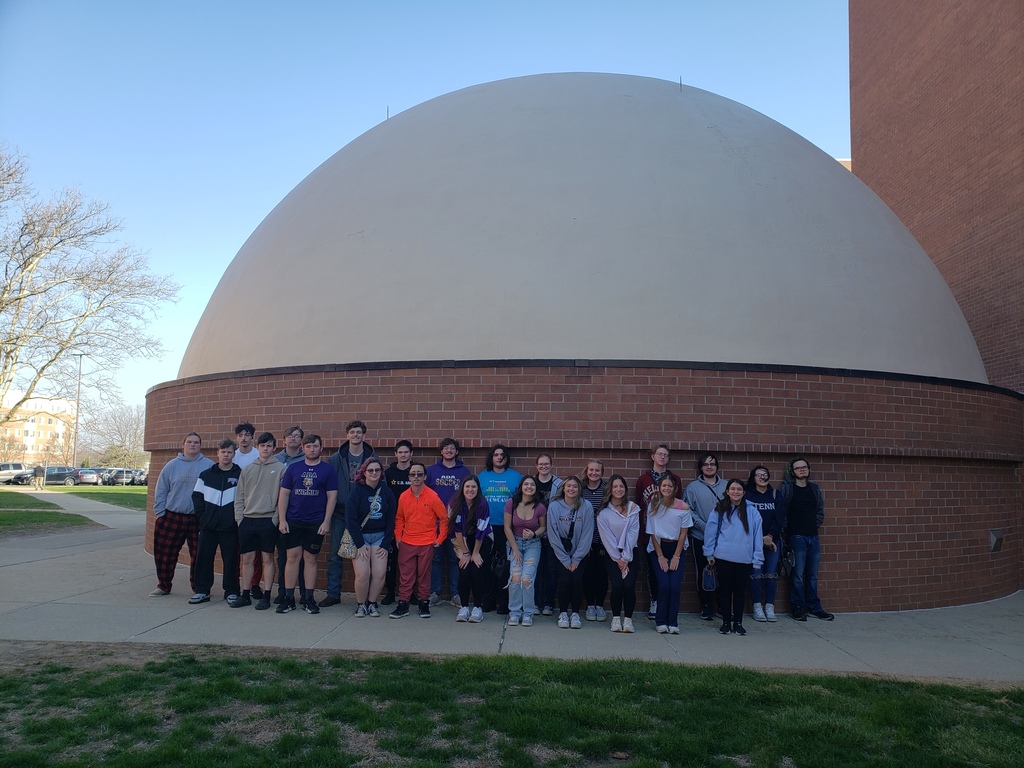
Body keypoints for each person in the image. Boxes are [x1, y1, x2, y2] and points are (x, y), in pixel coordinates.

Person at [276, 434, 338, 615]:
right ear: (303, 448)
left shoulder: (327, 470)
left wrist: (326, 521)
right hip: (293, 520)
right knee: (292, 558)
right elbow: (284, 494)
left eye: (315, 446)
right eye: (309, 446)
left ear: (321, 448)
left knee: (310, 558)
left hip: (315, 522)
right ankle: (289, 599)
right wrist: (282, 519)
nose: (312, 449)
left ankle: (309, 599)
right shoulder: (293, 469)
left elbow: (332, 496)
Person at [150, 433, 214, 597]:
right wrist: (160, 514)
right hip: (172, 516)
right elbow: (161, 490)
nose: (193, 445)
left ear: (201, 445)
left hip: (198, 519)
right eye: (189, 442)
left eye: (196, 442)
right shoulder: (172, 466)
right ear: (183, 444)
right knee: (165, 554)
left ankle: (198, 588)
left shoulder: (209, 466)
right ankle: (163, 585)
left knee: (199, 555)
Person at [323, 420, 376, 608]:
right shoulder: (337, 458)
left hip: (363, 515)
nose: (355, 435)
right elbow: (329, 485)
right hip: (340, 512)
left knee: (364, 556)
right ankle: (333, 593)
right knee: (335, 554)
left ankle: (365, 597)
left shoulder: (371, 457)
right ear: (347, 435)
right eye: (352, 432)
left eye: (359, 432)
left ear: (364, 435)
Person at [775, 457, 834, 622]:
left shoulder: (814, 489)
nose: (802, 470)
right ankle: (797, 607)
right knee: (798, 575)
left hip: (813, 536)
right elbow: (782, 512)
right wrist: (789, 529)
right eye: (798, 468)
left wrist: (813, 525)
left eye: (804, 467)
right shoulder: (787, 489)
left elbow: (820, 511)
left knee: (813, 575)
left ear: (808, 469)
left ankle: (814, 607)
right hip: (796, 537)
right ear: (792, 472)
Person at [703, 479, 764, 636]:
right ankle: (725, 622)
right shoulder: (719, 509)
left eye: (739, 489)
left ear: (744, 492)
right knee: (724, 591)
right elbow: (710, 531)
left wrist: (757, 559)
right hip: (723, 557)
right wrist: (709, 552)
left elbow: (757, 536)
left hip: (744, 559)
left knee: (739, 593)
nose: (736, 492)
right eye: (733, 489)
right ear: (727, 491)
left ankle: (738, 622)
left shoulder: (752, 512)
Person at [232, 432, 284, 610]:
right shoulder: (247, 469)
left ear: (274, 448)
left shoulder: (281, 469)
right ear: (258, 447)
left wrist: (275, 519)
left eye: (269, 446)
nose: (265, 449)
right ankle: (245, 594)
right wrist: (240, 518)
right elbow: (239, 496)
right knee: (246, 558)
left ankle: (267, 595)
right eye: (262, 446)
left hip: (268, 520)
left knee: (267, 558)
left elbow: (282, 499)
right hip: (248, 520)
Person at [390, 461, 447, 619]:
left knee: (424, 575)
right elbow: (399, 518)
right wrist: (398, 537)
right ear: (409, 477)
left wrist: (440, 538)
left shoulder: (433, 496)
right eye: (413, 474)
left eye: (419, 474)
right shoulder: (403, 496)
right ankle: (403, 604)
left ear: (425, 477)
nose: (416, 477)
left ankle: (423, 603)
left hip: (427, 542)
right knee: (406, 575)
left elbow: (444, 519)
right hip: (407, 541)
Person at [190, 439, 242, 604]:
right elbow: (197, 497)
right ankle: (202, 591)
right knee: (203, 559)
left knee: (231, 560)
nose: (226, 455)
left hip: (230, 527)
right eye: (223, 452)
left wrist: (236, 520)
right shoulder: (206, 475)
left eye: (229, 452)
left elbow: (244, 499)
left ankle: (232, 591)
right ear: (217, 453)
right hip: (208, 527)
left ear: (234, 454)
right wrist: (203, 518)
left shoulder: (241, 475)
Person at [635, 444, 683, 621]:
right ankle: (654, 601)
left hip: (671, 535)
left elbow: (680, 506)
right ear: (653, 456)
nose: (662, 457)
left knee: (671, 573)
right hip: (650, 534)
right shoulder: (643, 480)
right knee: (653, 571)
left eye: (666, 455)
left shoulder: (675, 479)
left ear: (668, 459)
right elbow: (640, 504)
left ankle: (667, 606)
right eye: (659, 454)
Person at [346, 457, 397, 618]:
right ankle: (361, 605)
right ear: (364, 472)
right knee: (362, 574)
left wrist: (386, 543)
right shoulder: (357, 490)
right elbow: (350, 519)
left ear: (381, 473)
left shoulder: (386, 491)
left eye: (377, 470)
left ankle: (372, 603)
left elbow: (391, 519)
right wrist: (359, 544)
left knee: (380, 573)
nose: (374, 473)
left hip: (380, 538)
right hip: (361, 538)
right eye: (370, 470)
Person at [683, 452, 727, 620]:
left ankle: (722, 606)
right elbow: (689, 512)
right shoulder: (692, 488)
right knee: (704, 572)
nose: (709, 467)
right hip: (700, 536)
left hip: (724, 538)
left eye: (713, 464)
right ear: (701, 467)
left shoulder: (727, 485)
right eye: (706, 464)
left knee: (723, 573)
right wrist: (707, 527)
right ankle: (706, 606)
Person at [478, 444, 521, 613]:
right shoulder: (482, 476)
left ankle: (504, 602)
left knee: (504, 567)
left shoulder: (516, 477)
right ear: (491, 457)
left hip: (507, 528)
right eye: (496, 454)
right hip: (486, 528)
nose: (499, 457)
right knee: (487, 566)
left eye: (502, 455)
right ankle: (488, 601)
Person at [546, 476, 594, 629]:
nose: (571, 489)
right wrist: (566, 560)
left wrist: (577, 559)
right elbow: (552, 535)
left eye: (575, 486)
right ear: (563, 488)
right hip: (561, 552)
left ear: (579, 489)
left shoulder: (586, 506)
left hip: (580, 553)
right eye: (569, 486)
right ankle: (563, 613)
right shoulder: (554, 507)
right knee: (566, 581)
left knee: (577, 581)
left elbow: (587, 534)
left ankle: (575, 613)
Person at [646, 475, 692, 633]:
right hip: (658, 548)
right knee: (664, 585)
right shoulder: (653, 506)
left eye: (669, 486)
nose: (666, 488)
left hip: (677, 549)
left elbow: (683, 534)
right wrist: (660, 556)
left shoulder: (683, 507)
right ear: (659, 488)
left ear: (675, 489)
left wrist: (676, 557)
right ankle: (660, 622)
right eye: (663, 485)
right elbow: (652, 532)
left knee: (675, 586)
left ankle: (673, 622)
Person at [596, 474, 641, 633]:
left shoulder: (633, 508)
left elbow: (633, 533)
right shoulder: (603, 514)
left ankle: (628, 620)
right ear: (610, 489)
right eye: (615, 486)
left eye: (621, 486)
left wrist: (626, 558)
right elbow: (607, 539)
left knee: (629, 586)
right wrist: (618, 559)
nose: (618, 489)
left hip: (631, 554)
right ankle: (616, 618)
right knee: (617, 586)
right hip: (612, 555)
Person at [503, 475, 547, 627]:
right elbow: (507, 527)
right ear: (521, 487)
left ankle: (528, 613)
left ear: (535, 488)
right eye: (526, 484)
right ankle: (514, 612)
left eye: (532, 485)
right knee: (515, 578)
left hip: (532, 545)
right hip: (514, 543)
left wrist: (534, 533)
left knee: (527, 578)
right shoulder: (511, 503)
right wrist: (514, 549)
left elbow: (543, 527)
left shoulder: (540, 507)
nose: (529, 487)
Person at [450, 475, 492, 623]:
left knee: (477, 571)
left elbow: (481, 530)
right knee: (464, 570)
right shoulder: (456, 503)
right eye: (467, 486)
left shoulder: (482, 504)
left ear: (478, 489)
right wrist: (466, 553)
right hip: (462, 540)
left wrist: (475, 553)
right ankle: (464, 607)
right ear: (463, 488)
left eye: (473, 487)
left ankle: (478, 608)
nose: (470, 490)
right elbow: (457, 530)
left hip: (481, 541)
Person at [273, 426, 306, 604]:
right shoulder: (275, 459)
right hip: (282, 513)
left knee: (302, 557)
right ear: (284, 440)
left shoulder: (306, 459)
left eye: (297, 436)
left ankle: (302, 593)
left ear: (301, 440)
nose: (293, 439)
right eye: (290, 436)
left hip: (300, 513)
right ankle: (283, 591)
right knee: (283, 555)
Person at [746, 465, 783, 622]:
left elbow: (780, 518)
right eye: (758, 475)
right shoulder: (747, 495)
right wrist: (758, 538)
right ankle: (757, 607)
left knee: (770, 574)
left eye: (765, 474)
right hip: (752, 542)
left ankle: (769, 606)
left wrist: (770, 536)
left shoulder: (775, 494)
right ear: (753, 478)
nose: (762, 477)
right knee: (756, 575)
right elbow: (745, 518)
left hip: (772, 542)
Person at [382, 439, 416, 605]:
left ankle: (412, 593)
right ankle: (390, 592)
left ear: (411, 454)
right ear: (395, 454)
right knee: (391, 559)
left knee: (411, 560)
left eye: (406, 452)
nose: (403, 455)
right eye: (400, 452)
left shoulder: (416, 472)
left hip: (414, 522)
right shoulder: (388, 474)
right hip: (393, 522)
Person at [533, 453, 563, 616]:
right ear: (536, 466)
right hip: (535, 533)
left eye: (546, 464)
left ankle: (548, 604)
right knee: (536, 569)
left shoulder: (559, 484)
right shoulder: (531, 483)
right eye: (541, 464)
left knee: (551, 570)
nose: (543, 466)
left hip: (553, 533)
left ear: (551, 465)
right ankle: (536, 603)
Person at [580, 459, 608, 622]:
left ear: (602, 473)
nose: (594, 473)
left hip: (603, 540)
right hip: (585, 540)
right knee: (588, 574)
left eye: (597, 470)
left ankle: (600, 605)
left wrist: (604, 543)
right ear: (587, 471)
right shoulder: (581, 490)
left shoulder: (607, 490)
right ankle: (590, 605)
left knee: (602, 574)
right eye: (591, 470)